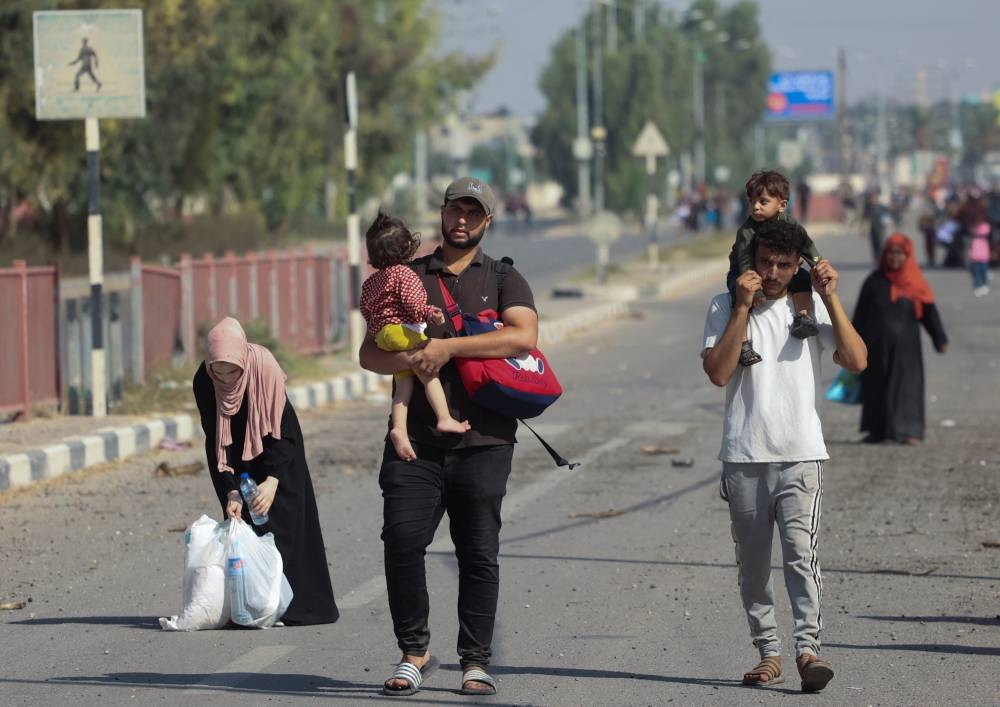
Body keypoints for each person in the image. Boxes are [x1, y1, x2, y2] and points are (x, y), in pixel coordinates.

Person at [359, 177, 538, 698]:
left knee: (477, 551)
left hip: (485, 438)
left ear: (487, 221)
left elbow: (523, 336)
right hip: (414, 441)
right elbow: (369, 354)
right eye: (454, 210)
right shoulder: (408, 273)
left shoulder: (504, 278)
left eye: (472, 212)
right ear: (441, 215)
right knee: (402, 540)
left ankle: (475, 660)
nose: (461, 219)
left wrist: (449, 349)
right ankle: (414, 651)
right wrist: (415, 357)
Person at [702, 218, 867, 693]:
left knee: (801, 557)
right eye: (765, 263)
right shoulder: (724, 305)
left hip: (801, 456)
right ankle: (768, 651)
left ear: (797, 266)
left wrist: (831, 297)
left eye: (783, 265)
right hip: (744, 455)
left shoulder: (809, 306)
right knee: (752, 566)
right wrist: (740, 309)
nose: (772, 273)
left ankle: (808, 650)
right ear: (750, 262)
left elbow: (857, 362)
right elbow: (717, 373)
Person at [193, 317, 339, 626]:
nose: (226, 377)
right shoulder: (204, 381)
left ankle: (298, 606)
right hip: (235, 454)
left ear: (244, 360)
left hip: (277, 448)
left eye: (232, 370)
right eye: (218, 370)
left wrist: (273, 481)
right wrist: (229, 488)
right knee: (245, 525)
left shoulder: (264, 368)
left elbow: (281, 429)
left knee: (285, 520)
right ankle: (256, 605)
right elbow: (215, 437)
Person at [359, 210, 470, 463]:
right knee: (428, 373)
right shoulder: (404, 274)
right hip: (403, 331)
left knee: (403, 387)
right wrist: (431, 314)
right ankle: (444, 418)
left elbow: (366, 309)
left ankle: (398, 428)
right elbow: (413, 303)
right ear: (408, 245)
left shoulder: (371, 282)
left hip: (383, 335)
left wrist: (379, 328)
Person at [852, 234, 948, 444]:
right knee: (876, 386)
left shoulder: (916, 282)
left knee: (907, 387)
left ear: (908, 256)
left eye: (899, 254)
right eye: (890, 253)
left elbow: (930, 312)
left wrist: (939, 338)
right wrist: (849, 343)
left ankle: (908, 431)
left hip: (907, 349)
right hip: (875, 347)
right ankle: (878, 431)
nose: (894, 258)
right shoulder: (874, 281)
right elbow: (860, 315)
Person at [727, 170, 825, 367]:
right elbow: (745, 260)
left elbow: (806, 245)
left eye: (763, 202)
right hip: (743, 270)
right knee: (739, 296)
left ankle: (803, 317)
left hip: (767, 270)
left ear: (782, 205)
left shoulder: (790, 224)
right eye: (752, 201)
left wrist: (819, 265)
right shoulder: (747, 231)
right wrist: (756, 291)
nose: (755, 207)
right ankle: (744, 344)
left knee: (803, 278)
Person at [968, 217, 992, 297]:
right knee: (976, 272)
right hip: (975, 256)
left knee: (983, 271)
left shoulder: (985, 226)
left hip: (984, 256)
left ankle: (984, 285)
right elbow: (972, 231)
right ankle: (978, 286)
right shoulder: (973, 230)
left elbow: (985, 231)